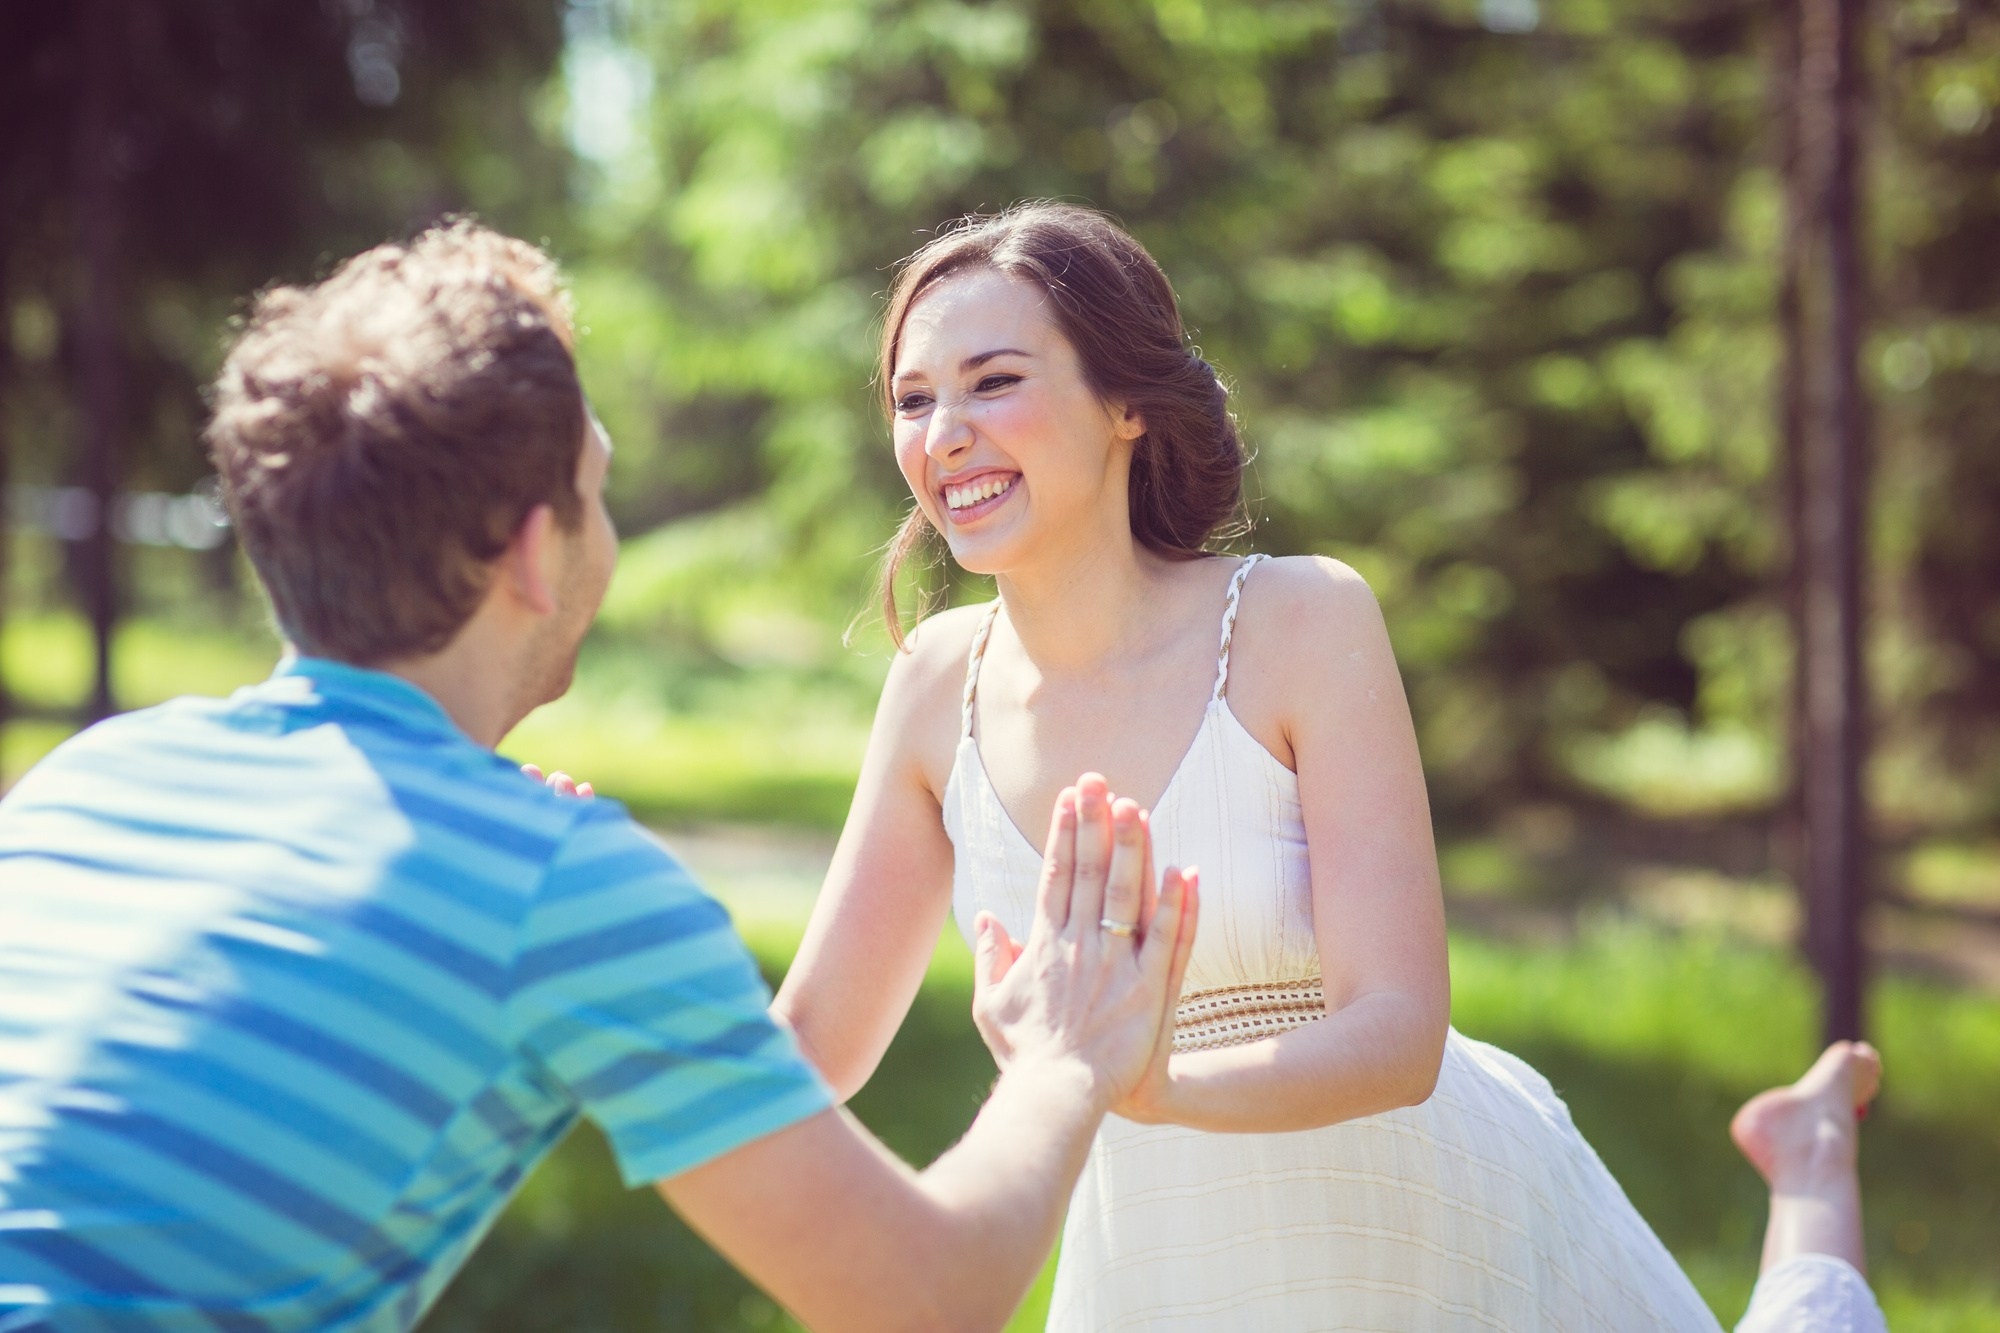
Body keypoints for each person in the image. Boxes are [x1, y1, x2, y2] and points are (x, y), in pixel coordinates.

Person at [0, 220, 1200, 1333]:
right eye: (595, 489)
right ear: (536, 549)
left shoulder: (85, 782)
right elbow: (923, 1296)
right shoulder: (554, 886)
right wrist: (1063, 1057)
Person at [770, 201, 1890, 1331]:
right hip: (1162, 1275)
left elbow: (1398, 1028)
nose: (943, 432)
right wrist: (592, 944)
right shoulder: (932, 685)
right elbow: (808, 1050)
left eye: (992, 381)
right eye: (913, 400)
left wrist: (1154, 1086)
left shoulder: (1298, 619)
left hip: (1443, 1237)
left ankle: (1807, 1163)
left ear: (1126, 406)